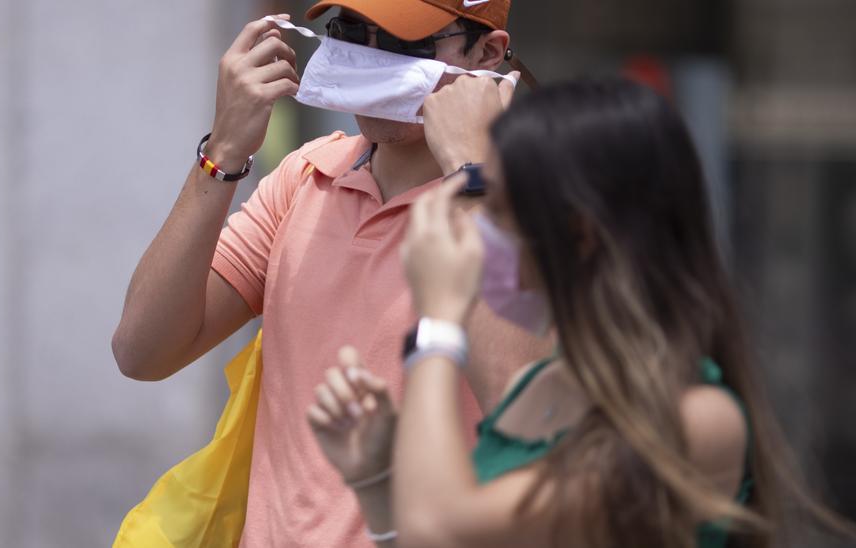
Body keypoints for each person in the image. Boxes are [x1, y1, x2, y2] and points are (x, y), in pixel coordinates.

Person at [307, 77, 856, 547]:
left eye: (496, 210)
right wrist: (376, 480)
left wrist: (439, 325)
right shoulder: (536, 389)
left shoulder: (698, 420)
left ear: (580, 234)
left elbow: (443, 529)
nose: (482, 232)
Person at [112, 0, 548, 545]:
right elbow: (142, 350)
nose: (364, 57)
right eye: (349, 32)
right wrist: (224, 151)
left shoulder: (539, 203)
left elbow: (529, 418)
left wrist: (472, 177)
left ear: (486, 54)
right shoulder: (307, 174)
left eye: (399, 40)